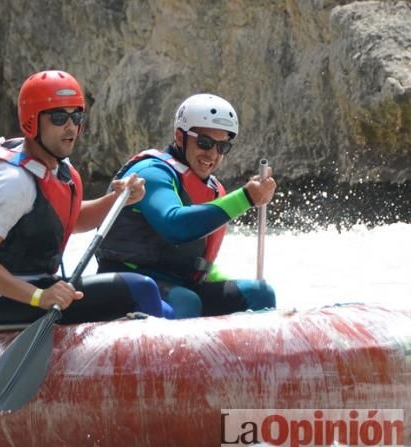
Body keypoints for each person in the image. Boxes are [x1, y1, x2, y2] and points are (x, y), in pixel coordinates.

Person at [0, 70, 173, 328]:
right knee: (140, 289)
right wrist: (40, 297)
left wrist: (116, 199)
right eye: (59, 118)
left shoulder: (55, 169)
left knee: (162, 304)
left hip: (38, 288)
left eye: (76, 116)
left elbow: (71, 219)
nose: (71, 127)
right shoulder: (12, 181)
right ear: (31, 122)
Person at [95, 93, 277, 318]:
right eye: (204, 143)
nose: (212, 154)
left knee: (260, 293)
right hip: (130, 282)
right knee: (186, 301)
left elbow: (196, 260)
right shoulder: (150, 172)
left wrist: (224, 281)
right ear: (180, 138)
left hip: (179, 285)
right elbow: (175, 225)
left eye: (222, 147)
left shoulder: (213, 189)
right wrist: (246, 198)